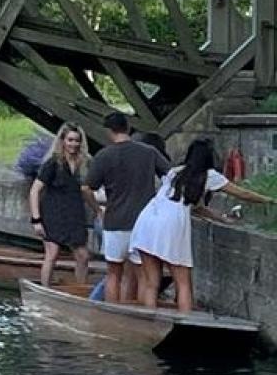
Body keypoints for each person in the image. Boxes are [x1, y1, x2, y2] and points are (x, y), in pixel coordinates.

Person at [130, 137, 274, 312]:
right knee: (183, 282)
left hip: (147, 220)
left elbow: (195, 208)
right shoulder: (210, 176)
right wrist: (267, 199)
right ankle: (184, 322)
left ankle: (150, 324)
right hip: (171, 225)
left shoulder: (175, 172)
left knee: (152, 282)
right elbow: (241, 193)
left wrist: (221, 218)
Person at [83, 112, 171, 304]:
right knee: (142, 276)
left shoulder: (104, 155)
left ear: (108, 131)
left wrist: (98, 210)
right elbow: (171, 176)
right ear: (128, 128)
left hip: (114, 221)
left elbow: (87, 188)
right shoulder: (149, 152)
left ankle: (113, 314)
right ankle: (138, 315)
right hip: (144, 223)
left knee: (114, 273)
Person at [29, 122, 96, 287]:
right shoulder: (53, 163)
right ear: (63, 141)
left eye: (77, 140)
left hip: (74, 215)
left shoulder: (84, 164)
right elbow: (35, 190)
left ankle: (80, 290)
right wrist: (36, 220)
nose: (73, 144)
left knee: (83, 255)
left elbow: (86, 191)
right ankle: (45, 289)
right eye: (70, 140)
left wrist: (98, 209)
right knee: (52, 253)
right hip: (53, 214)